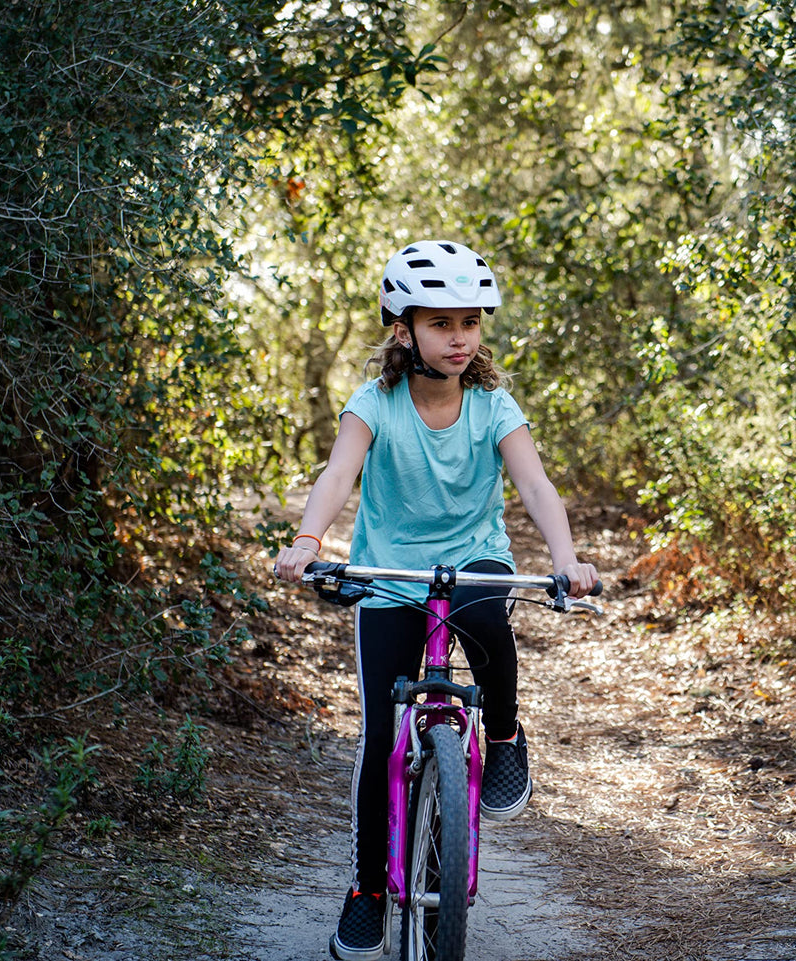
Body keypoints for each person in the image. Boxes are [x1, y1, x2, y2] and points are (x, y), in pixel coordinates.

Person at [272, 239, 598, 961]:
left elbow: (535, 484)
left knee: (486, 617)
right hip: (389, 572)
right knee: (380, 740)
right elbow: (338, 474)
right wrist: (307, 539)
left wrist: (566, 559)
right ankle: (367, 891)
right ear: (403, 330)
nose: (459, 338)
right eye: (441, 323)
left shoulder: (493, 404)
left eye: (470, 323)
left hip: (473, 555)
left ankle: (503, 736)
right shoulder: (374, 404)